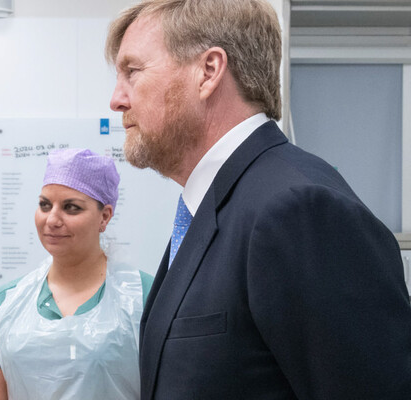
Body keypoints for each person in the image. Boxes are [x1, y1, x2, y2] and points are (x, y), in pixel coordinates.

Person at [106, 1, 411, 398]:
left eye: (132, 71)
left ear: (208, 71)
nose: (117, 99)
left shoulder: (297, 209)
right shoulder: (220, 206)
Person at [0, 149, 153, 400]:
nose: (52, 220)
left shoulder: (143, 297)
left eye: (71, 208)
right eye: (45, 205)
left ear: (104, 216)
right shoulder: (7, 302)